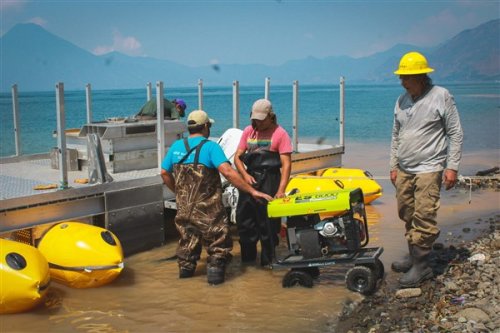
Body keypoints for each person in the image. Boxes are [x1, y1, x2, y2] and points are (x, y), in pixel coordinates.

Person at [160, 110, 273, 285]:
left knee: (187, 247)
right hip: (208, 210)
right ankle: (216, 287)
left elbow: (164, 172)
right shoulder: (211, 147)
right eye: (209, 126)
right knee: (218, 247)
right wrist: (252, 191)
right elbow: (228, 172)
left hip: (184, 209)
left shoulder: (176, 147)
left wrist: (179, 193)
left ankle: (185, 285)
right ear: (205, 127)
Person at [390, 51, 463, 288]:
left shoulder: (441, 96)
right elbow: (396, 135)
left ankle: (422, 267)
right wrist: (393, 165)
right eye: (401, 77)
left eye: (406, 77)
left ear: (421, 76)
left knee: (424, 215)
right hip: (404, 168)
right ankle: (413, 256)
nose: (402, 81)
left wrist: (452, 166)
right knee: (407, 213)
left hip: (429, 168)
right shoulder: (401, 100)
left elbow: (455, 132)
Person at [234, 99, 292, 266]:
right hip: (249, 180)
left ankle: (268, 264)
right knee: (245, 224)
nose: (257, 122)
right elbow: (237, 157)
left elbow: (286, 164)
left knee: (268, 227)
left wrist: (281, 190)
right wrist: (244, 175)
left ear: (270, 117)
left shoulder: (280, 134)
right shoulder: (248, 131)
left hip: (270, 179)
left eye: (261, 119)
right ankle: (247, 264)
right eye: (255, 119)